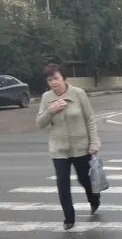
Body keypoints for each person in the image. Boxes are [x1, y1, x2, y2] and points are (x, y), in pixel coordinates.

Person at [36, 63, 101, 230]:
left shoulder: (79, 94)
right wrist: (51, 110)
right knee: (62, 184)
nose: (53, 82)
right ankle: (69, 218)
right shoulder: (46, 98)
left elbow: (90, 119)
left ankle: (94, 199)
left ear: (63, 78)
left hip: (81, 147)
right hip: (59, 149)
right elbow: (40, 123)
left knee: (84, 180)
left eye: (56, 78)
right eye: (50, 80)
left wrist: (94, 142)